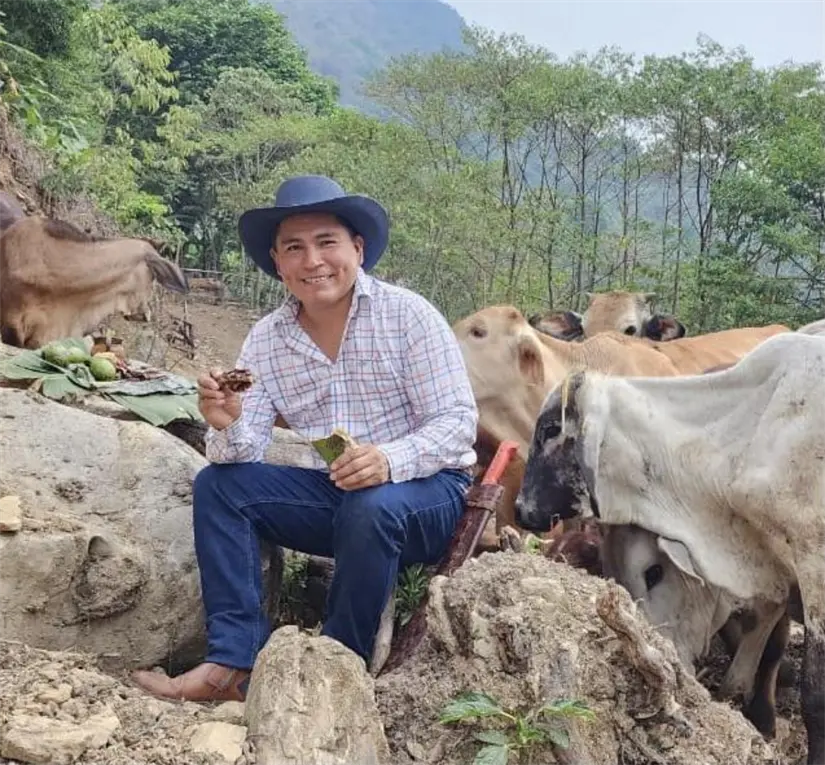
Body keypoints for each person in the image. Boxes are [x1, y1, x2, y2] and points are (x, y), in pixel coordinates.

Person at [132, 174, 479, 702]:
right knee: (220, 488)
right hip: (337, 494)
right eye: (294, 247)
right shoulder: (268, 340)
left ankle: (335, 675)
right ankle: (232, 663)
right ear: (277, 262)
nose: (312, 260)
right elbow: (244, 450)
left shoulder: (408, 316)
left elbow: (457, 420)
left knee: (373, 505)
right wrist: (227, 421)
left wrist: (388, 459)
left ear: (357, 249)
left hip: (428, 496)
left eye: (327, 243)